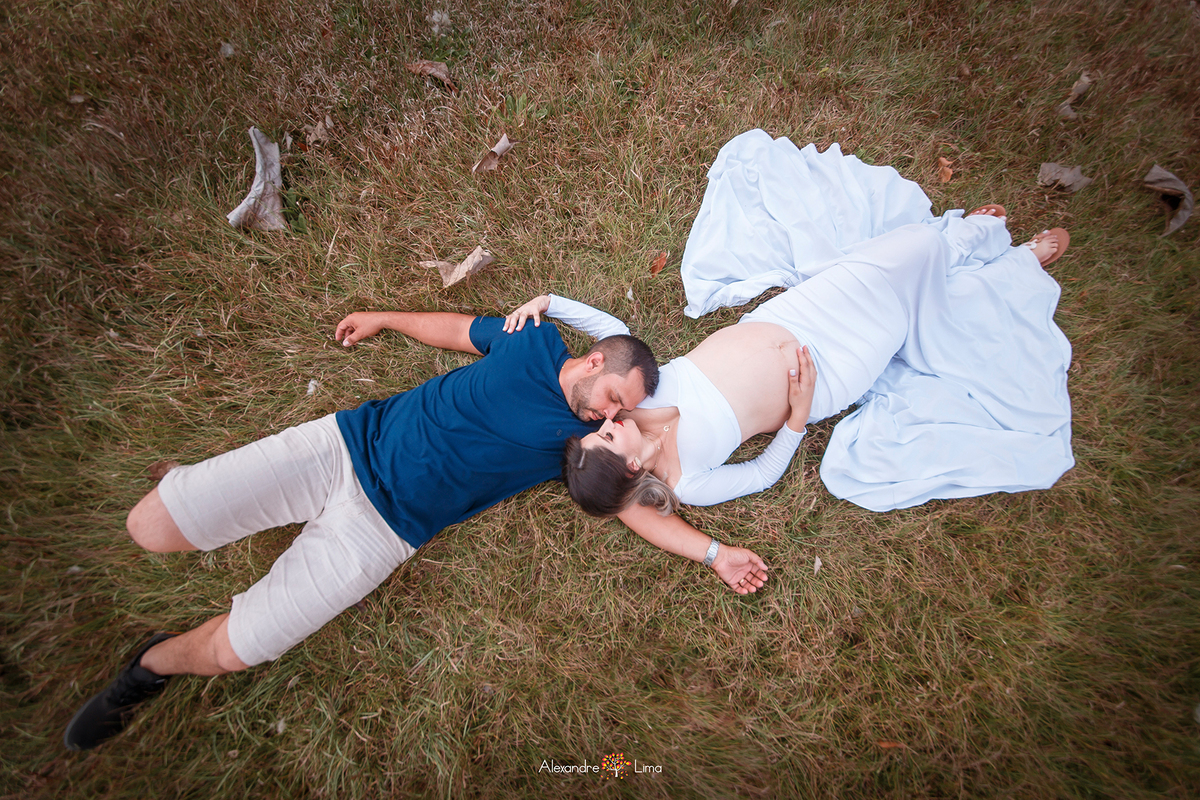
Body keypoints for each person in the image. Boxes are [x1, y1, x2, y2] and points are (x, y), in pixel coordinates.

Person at [63, 305, 660, 751]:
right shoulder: (530, 338)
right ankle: (201, 485)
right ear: (594, 360)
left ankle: (149, 667)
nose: (608, 414)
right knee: (147, 527)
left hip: (381, 534)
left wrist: (664, 474)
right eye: (612, 397)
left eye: (620, 412)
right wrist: (383, 318)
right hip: (342, 448)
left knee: (239, 650)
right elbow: (458, 331)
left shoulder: (588, 446)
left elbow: (630, 487)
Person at [505, 209, 1070, 593]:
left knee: (914, 247)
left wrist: (550, 302)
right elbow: (760, 475)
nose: (605, 420)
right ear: (630, 465)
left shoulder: (632, 402)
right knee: (905, 317)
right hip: (827, 372)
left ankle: (966, 239)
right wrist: (798, 414)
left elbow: (615, 336)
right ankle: (1013, 264)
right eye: (605, 434)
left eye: (601, 423)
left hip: (794, 316)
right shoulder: (688, 482)